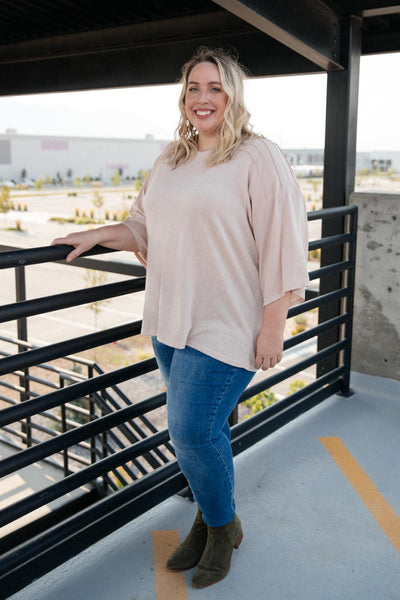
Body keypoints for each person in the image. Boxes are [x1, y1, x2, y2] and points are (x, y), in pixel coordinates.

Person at [52, 46, 309, 589]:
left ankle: (222, 527)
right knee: (205, 432)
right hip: (171, 321)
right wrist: (99, 233)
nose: (203, 98)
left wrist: (273, 324)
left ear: (233, 95)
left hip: (230, 321)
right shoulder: (171, 157)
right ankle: (210, 517)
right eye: (194, 88)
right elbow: (142, 226)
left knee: (191, 432)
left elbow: (284, 240)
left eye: (215, 88)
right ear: (183, 97)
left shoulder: (258, 155)